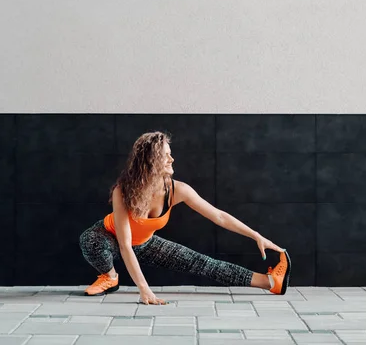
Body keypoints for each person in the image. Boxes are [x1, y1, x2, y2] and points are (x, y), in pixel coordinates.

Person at [79, 131, 291, 305]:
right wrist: (144, 291)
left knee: (204, 263)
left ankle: (270, 282)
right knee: (91, 240)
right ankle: (111, 276)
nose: (172, 159)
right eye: (166, 155)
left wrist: (256, 236)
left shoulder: (177, 190)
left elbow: (219, 216)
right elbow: (124, 245)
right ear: (150, 160)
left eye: (171, 153)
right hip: (110, 237)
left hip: (144, 243)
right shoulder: (123, 191)